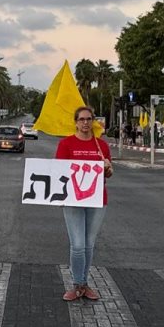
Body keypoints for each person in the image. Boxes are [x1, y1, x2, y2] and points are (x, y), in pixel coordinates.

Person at [56, 106, 114, 301]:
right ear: (76, 122)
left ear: (93, 121)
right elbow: (58, 173)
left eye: (89, 119)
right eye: (81, 119)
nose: (85, 123)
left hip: (97, 200)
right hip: (73, 200)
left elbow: (108, 173)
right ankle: (77, 284)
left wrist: (107, 168)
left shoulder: (102, 146)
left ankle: (84, 284)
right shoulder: (66, 144)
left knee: (89, 244)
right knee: (78, 245)